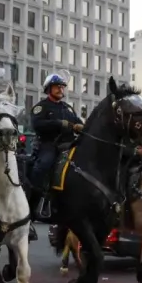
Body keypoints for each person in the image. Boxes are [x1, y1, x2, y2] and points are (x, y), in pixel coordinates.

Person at [28, 74, 83, 204]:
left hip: (70, 144)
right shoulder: (41, 107)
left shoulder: (67, 108)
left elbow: (77, 122)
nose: (60, 89)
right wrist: (58, 123)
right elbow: (37, 124)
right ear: (48, 89)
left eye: (62, 87)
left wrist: (81, 126)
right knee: (43, 165)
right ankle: (34, 199)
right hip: (49, 144)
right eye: (57, 87)